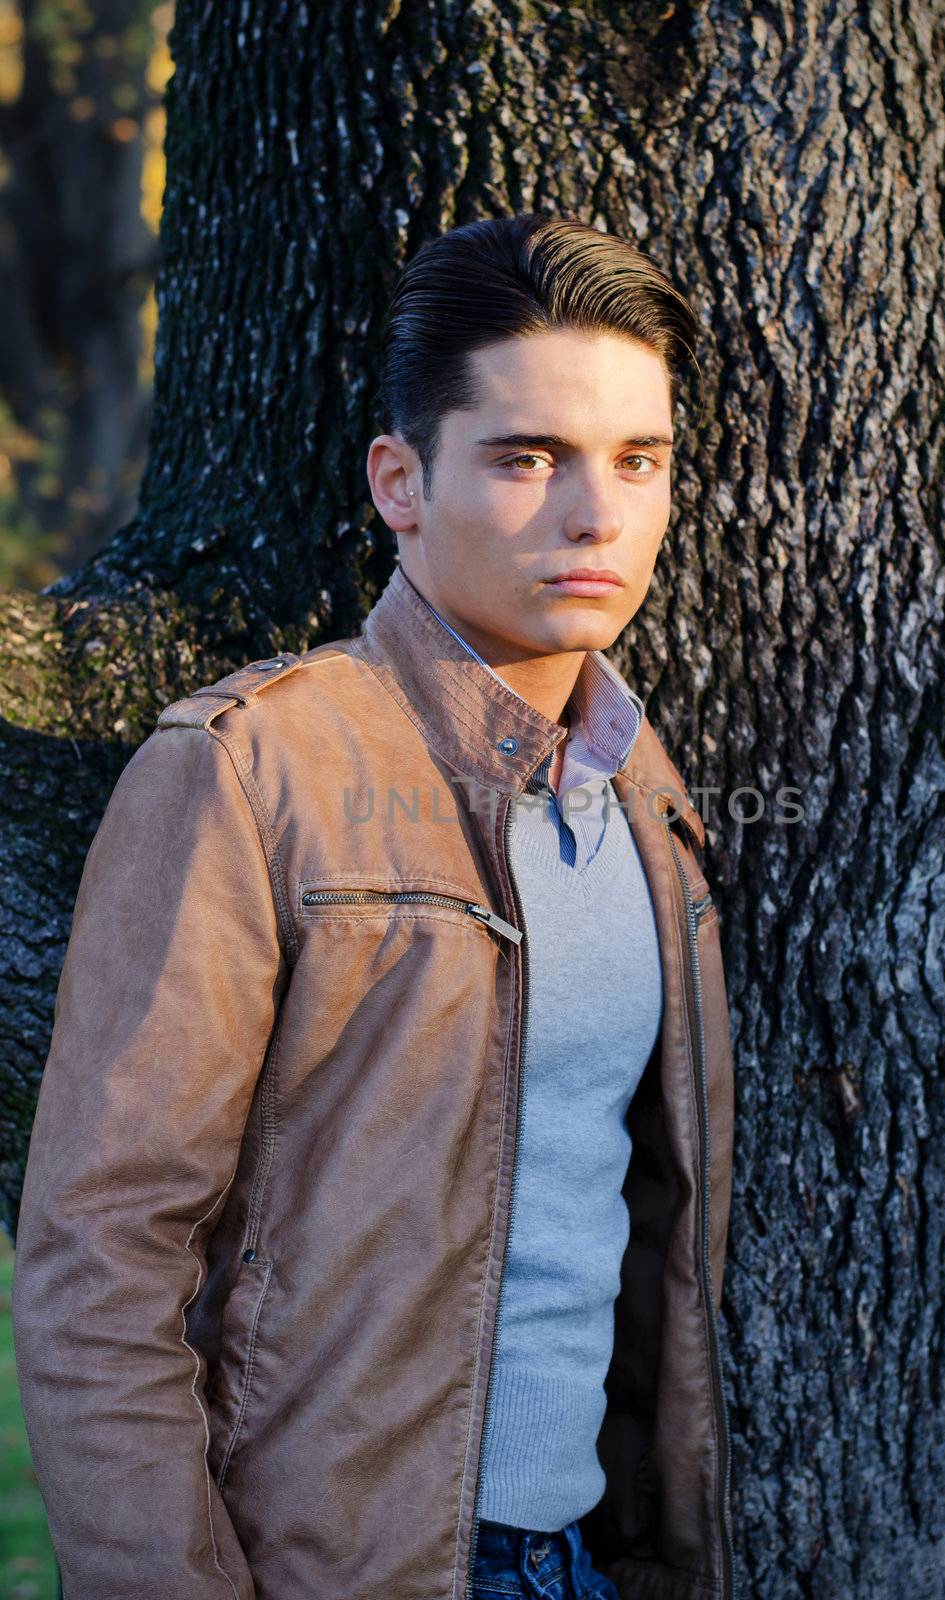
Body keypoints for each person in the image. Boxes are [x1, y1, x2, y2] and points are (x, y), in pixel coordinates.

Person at [12, 212, 736, 1600]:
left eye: (637, 461)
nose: (598, 513)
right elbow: (99, 1266)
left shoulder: (643, 788)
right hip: (341, 1567)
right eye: (529, 458)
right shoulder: (248, 768)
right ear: (399, 482)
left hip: (590, 1559)